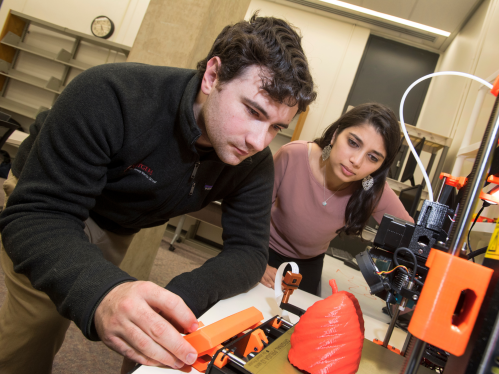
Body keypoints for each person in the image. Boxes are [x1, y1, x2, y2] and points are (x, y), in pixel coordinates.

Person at [0, 14, 317, 374]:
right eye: (251, 111)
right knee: (38, 325)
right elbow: (37, 214)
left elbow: (249, 250)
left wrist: (183, 296)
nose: (259, 141)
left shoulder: (254, 161)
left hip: (120, 220)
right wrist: (104, 293)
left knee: (142, 320)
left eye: (275, 126)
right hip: (48, 203)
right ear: (213, 76)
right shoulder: (111, 94)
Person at [260, 103, 413, 294]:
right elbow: (251, 210)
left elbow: (412, 240)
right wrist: (255, 261)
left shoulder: (373, 189)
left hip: (309, 264)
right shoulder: (293, 155)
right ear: (335, 135)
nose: (356, 161)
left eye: (372, 158)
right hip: (261, 249)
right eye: (353, 143)